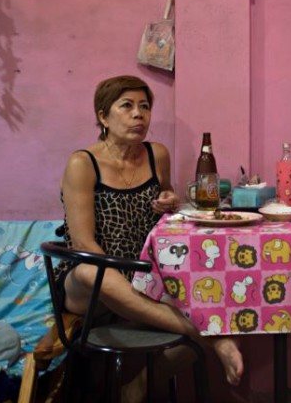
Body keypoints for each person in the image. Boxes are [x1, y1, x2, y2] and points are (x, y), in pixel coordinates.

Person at [54, 75, 244, 392]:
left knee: (221, 305)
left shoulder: (157, 155)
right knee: (91, 271)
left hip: (146, 276)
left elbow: (167, 197)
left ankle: (137, 388)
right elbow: (83, 242)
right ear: (103, 115)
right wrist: (127, 278)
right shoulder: (82, 163)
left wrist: (170, 199)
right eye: (126, 106)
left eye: (144, 107)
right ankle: (211, 337)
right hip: (91, 284)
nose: (138, 114)